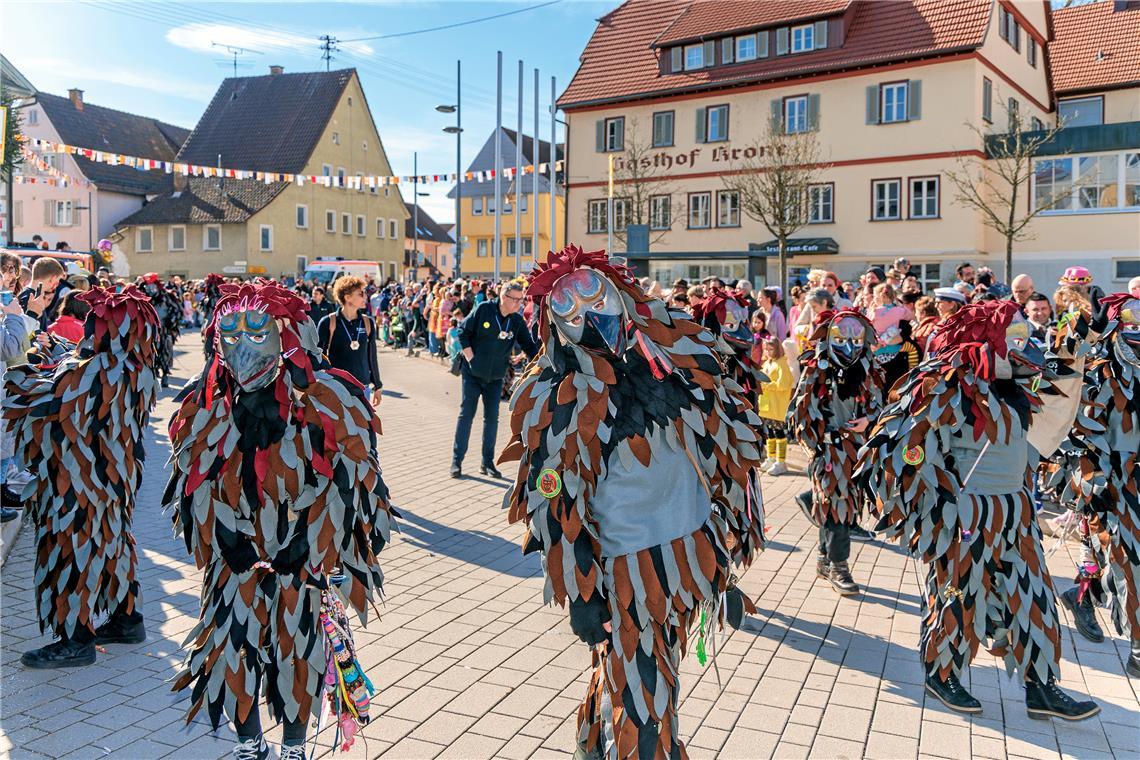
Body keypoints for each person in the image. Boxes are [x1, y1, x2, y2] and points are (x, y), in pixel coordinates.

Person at [501, 245, 764, 760]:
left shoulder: (674, 352)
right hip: (625, 571)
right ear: (555, 326)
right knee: (645, 690)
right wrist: (580, 596)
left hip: (686, 553)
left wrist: (732, 524)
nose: (588, 318)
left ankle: (592, 747)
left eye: (594, 299)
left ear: (620, 294)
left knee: (637, 671)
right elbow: (553, 504)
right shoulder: (553, 395)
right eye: (569, 313)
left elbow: (720, 441)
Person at [164, 281, 393, 760]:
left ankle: (293, 746)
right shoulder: (206, 405)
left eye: (256, 329)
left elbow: (351, 485)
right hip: (237, 558)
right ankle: (249, 743)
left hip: (300, 557)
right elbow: (195, 479)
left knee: (297, 651)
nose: (241, 343)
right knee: (233, 649)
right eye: (229, 331)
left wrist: (310, 546)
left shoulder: (326, 400)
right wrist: (226, 537)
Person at [856, 299, 1103, 719]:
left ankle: (1040, 688)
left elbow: (1056, 407)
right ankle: (941, 674)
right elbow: (904, 448)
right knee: (958, 597)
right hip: (964, 517)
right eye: (1013, 337)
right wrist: (935, 499)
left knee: (1033, 597)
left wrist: (1078, 339)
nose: (1022, 346)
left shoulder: (1019, 384)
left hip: (1015, 513)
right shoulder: (945, 383)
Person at [4, 287, 159, 668]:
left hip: (80, 482)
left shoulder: (100, 369)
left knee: (72, 549)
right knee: (112, 542)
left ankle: (76, 639)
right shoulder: (131, 364)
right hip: (110, 477)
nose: (89, 330)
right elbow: (70, 380)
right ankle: (127, 619)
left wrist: (17, 367)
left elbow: (41, 401)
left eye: (95, 324)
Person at [1047, 292, 1140, 678]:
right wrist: (1090, 331)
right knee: (1129, 558)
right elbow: (1055, 373)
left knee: (1120, 558)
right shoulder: (1095, 365)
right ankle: (1137, 650)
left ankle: (1086, 594)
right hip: (1106, 479)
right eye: (1131, 323)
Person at [789, 309, 883, 595]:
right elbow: (799, 410)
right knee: (838, 504)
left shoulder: (868, 368)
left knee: (837, 504)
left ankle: (823, 557)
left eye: (856, 340)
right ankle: (839, 567)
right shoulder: (817, 367)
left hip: (857, 449)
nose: (849, 346)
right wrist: (815, 444)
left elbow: (878, 403)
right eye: (842, 339)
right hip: (829, 450)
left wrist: (869, 420)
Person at [451, 279, 539, 479]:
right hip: (472, 374)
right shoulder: (484, 309)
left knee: (492, 419)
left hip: (496, 377)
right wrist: (471, 358)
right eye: (515, 300)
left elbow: (530, 347)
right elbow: (463, 332)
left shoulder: (516, 321)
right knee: (466, 416)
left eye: (521, 300)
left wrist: (545, 360)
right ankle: (456, 462)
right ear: (503, 297)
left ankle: (487, 463)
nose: (519, 304)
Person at [317, 277, 383, 408]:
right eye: (361, 294)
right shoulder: (328, 322)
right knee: (338, 428)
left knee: (364, 427)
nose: (365, 296)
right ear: (347, 298)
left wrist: (378, 385)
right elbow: (318, 356)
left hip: (362, 387)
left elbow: (372, 356)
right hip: (336, 387)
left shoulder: (368, 322)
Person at [758, 336, 793, 475]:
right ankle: (771, 458)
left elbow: (783, 384)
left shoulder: (781, 364)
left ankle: (781, 461)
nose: (767, 352)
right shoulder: (768, 363)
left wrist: (766, 384)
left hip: (777, 406)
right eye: (766, 349)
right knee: (770, 433)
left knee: (779, 433)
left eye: (770, 349)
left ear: (777, 349)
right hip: (768, 405)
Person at [18, 256, 69, 331]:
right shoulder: (30, 298)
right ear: (53, 278)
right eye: (58, 280)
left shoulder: (29, 295)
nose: (58, 284)